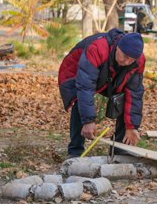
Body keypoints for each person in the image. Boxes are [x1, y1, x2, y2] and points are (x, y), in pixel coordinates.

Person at [57, 29, 145, 157]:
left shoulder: (138, 61)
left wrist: (132, 127)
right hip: (74, 72)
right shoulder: (98, 48)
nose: (127, 62)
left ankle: (119, 150)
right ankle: (75, 151)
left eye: (131, 60)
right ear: (118, 47)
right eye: (125, 56)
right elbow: (85, 87)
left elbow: (135, 94)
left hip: (108, 75)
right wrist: (88, 121)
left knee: (125, 99)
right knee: (79, 99)